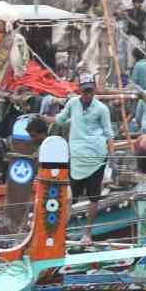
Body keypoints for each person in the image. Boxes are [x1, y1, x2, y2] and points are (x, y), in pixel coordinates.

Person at [55, 75, 114, 240]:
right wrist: (43, 118)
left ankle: (87, 233)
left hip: (96, 157)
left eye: (90, 90)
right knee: (69, 197)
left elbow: (109, 134)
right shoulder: (73, 103)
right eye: (85, 90)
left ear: (94, 89)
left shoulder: (102, 109)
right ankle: (60, 232)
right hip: (76, 157)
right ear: (80, 90)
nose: (88, 93)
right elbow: (60, 120)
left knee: (93, 197)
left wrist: (112, 158)